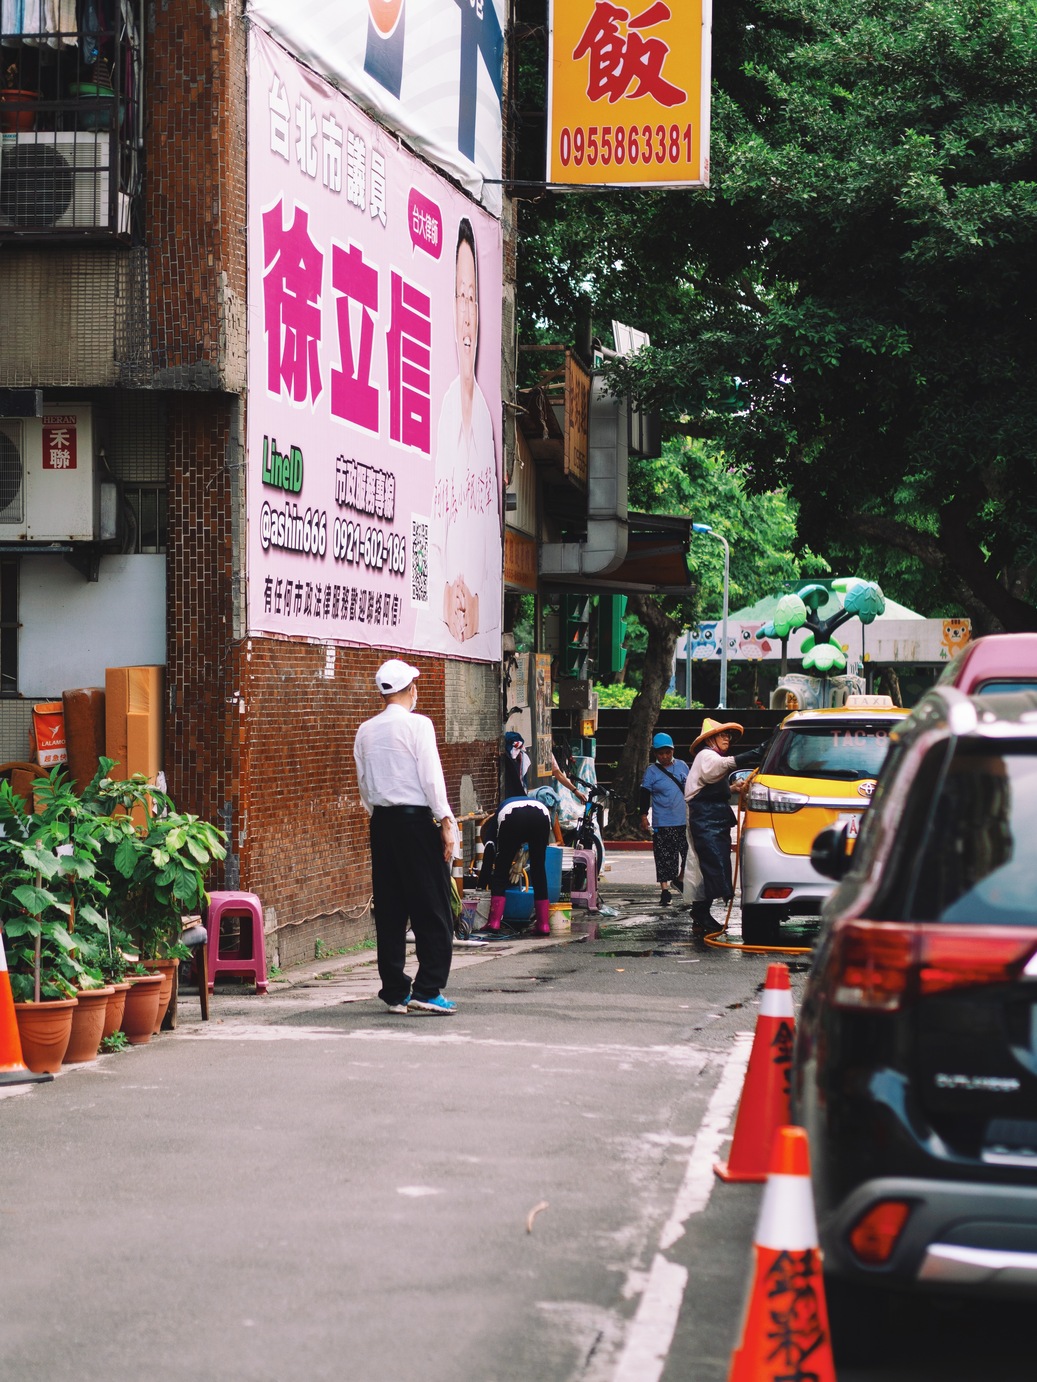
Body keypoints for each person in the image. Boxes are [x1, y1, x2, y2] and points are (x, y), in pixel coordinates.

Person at [353, 659, 459, 1015]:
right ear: (410, 690)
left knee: (390, 908)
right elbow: (431, 777)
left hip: (382, 823)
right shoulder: (419, 725)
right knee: (433, 905)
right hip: (416, 822)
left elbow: (364, 784)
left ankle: (396, 990)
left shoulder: (365, 730)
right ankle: (428, 988)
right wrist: (445, 818)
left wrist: (379, 816)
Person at [421, 216, 500, 657]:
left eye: (472, 299)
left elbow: (490, 541)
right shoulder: (445, 405)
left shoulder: (487, 416)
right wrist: (447, 595)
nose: (466, 312)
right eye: (459, 297)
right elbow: (433, 528)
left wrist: (476, 606)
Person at [684, 717, 762, 930]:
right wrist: (755, 754)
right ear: (711, 739)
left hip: (714, 818)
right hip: (704, 818)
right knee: (711, 863)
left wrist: (733, 788)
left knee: (711, 865)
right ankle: (701, 910)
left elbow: (714, 782)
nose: (727, 738)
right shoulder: (707, 755)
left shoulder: (712, 758)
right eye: (723, 734)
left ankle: (701, 910)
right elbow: (720, 767)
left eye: (728, 735)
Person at [477, 730, 557, 938]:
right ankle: (543, 924)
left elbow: (490, 859)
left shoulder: (493, 829)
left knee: (501, 869)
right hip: (541, 813)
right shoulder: (510, 809)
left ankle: (494, 922)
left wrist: (482, 881)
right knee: (538, 869)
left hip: (514, 816)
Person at [639, 731, 689, 907]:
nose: (665, 756)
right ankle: (665, 890)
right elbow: (644, 795)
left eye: (668, 752)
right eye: (661, 753)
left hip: (683, 821)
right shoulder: (652, 772)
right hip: (663, 822)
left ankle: (680, 879)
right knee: (663, 857)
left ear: (673, 751)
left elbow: (691, 789)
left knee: (688, 854)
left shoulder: (683, 766)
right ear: (655, 754)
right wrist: (644, 815)